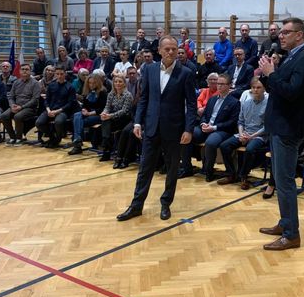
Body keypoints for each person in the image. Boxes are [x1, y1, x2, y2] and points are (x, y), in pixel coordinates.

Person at [116, 35, 196, 222]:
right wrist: (137, 122)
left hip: (174, 130)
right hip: (151, 128)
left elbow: (192, 105)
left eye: (174, 49)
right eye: (167, 49)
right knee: (145, 168)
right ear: (159, 50)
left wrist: (189, 129)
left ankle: (166, 203)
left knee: (172, 169)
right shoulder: (149, 70)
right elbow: (143, 98)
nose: (171, 52)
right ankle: (136, 206)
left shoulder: (186, 73)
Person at [258, 17, 304, 250]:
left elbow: (292, 92)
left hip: (288, 127)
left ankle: (292, 235)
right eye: (281, 32)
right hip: (278, 125)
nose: (281, 36)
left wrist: (272, 74)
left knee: (284, 182)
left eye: (286, 32)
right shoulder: (292, 56)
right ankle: (285, 223)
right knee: (280, 179)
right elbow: (277, 87)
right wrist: (268, 73)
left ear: (299, 35)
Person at [181, 73, 240, 181]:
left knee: (210, 142)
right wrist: (203, 123)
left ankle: (208, 172)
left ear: (229, 85)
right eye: (218, 83)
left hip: (222, 130)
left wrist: (214, 127)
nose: (219, 86)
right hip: (206, 127)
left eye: (222, 84)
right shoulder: (212, 99)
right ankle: (186, 168)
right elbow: (204, 115)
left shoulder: (234, 102)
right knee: (187, 134)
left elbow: (232, 122)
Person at [217, 77, 268, 189]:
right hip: (244, 133)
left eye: (258, 87)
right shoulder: (246, 103)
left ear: (264, 89)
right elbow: (240, 121)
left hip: (259, 136)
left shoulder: (269, 104)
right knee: (224, 146)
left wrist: (251, 136)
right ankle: (231, 174)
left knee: (250, 149)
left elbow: (267, 127)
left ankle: (243, 176)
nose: (255, 90)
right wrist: (241, 134)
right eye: (253, 87)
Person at [35, 66, 78, 148]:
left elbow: (70, 104)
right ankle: (53, 138)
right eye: (57, 74)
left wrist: (57, 111)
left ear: (65, 74)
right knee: (38, 123)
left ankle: (58, 139)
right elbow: (47, 100)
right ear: (55, 74)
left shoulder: (70, 87)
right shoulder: (51, 85)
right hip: (50, 110)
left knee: (58, 122)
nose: (59, 76)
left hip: (63, 111)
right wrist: (48, 110)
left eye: (61, 74)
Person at [68, 74, 108, 155]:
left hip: (99, 115)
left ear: (98, 83)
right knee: (76, 115)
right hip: (88, 113)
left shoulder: (102, 92)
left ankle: (77, 143)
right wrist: (84, 110)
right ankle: (78, 141)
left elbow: (102, 109)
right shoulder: (87, 92)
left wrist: (89, 113)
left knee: (79, 121)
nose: (91, 85)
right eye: (90, 83)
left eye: (94, 83)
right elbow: (85, 106)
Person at [1, 63, 40, 145]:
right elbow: (11, 96)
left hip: (29, 108)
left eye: (27, 69)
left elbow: (35, 100)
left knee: (17, 116)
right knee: (4, 116)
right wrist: (12, 105)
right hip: (16, 106)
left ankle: (19, 138)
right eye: (23, 69)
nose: (24, 71)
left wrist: (22, 107)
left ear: (30, 71)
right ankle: (12, 137)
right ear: (19, 71)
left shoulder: (35, 83)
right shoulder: (16, 82)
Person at [99, 75, 133, 161]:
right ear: (113, 83)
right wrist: (104, 113)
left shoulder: (128, 95)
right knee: (105, 121)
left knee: (106, 122)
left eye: (120, 82)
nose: (118, 83)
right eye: (116, 82)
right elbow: (107, 107)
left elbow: (124, 111)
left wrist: (110, 116)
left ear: (124, 83)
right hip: (113, 117)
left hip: (124, 119)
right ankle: (107, 147)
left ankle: (106, 149)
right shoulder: (111, 94)